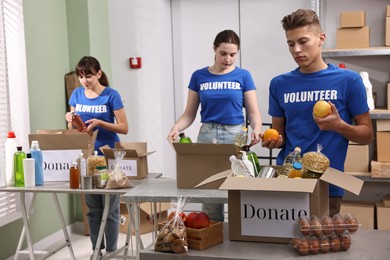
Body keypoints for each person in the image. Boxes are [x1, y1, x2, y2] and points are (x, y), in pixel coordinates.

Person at [262, 9, 373, 216]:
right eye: (290, 43)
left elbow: (367, 135)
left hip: (327, 184)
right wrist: (273, 140)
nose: (296, 49)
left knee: (319, 245)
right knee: (279, 247)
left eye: (303, 41)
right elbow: (279, 133)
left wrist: (339, 126)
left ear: (321, 38)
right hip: (287, 179)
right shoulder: (279, 84)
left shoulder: (349, 81)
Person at [168, 30, 262, 221]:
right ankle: (212, 236)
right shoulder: (199, 76)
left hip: (235, 136)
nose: (228, 59)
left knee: (238, 190)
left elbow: (253, 112)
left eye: (233, 54)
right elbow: (190, 113)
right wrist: (177, 127)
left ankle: (237, 237)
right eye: (223, 53)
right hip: (207, 135)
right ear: (214, 49)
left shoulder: (244, 76)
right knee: (209, 191)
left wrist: (257, 130)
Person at [65, 56, 129, 258]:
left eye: (89, 76)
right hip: (87, 156)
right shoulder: (76, 95)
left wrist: (100, 123)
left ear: (99, 74)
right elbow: (72, 127)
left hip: (108, 155)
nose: (85, 80)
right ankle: (96, 250)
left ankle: (111, 250)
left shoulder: (111, 95)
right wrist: (70, 119)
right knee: (93, 208)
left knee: (110, 206)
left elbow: (124, 127)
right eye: (81, 76)